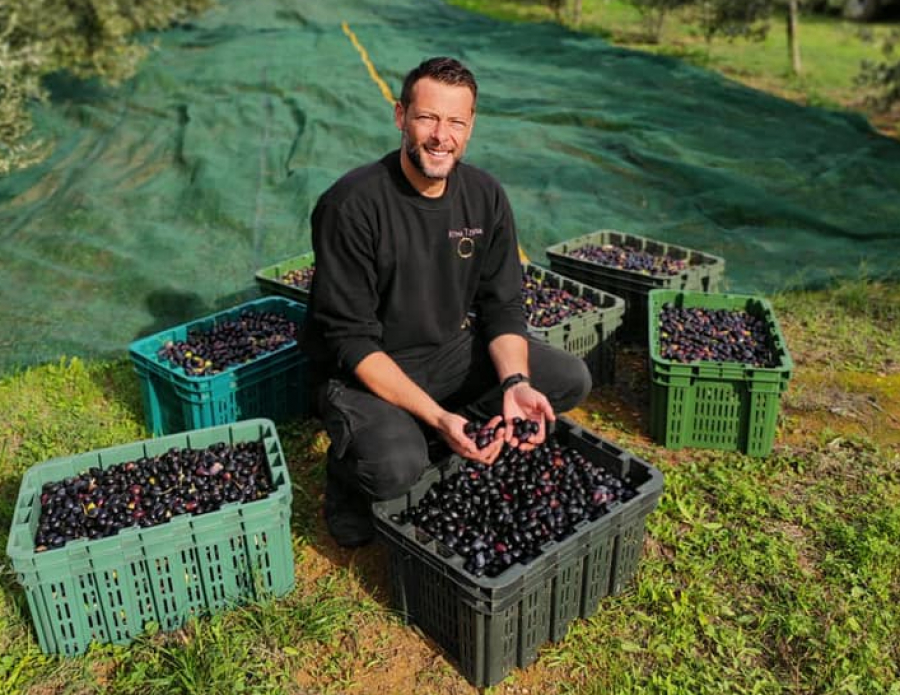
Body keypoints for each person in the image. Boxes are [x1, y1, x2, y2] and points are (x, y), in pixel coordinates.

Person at [301, 56, 591, 547]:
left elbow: (503, 305)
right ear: (400, 117)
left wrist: (515, 383)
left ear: (471, 126)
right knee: (396, 466)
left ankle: (443, 433)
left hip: (445, 349)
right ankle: (351, 479)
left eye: (456, 121)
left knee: (567, 379)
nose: (441, 135)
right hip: (365, 369)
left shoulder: (484, 196)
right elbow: (350, 342)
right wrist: (435, 415)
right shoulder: (351, 205)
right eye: (427, 118)